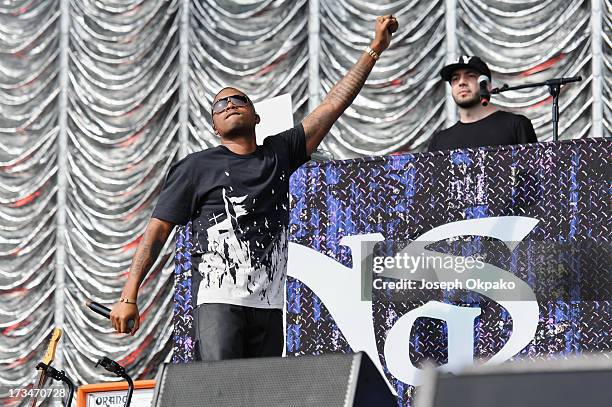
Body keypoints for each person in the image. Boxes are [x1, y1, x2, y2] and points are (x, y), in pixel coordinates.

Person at [110, 15, 399, 361]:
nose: (230, 104)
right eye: (220, 104)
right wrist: (129, 294)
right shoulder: (196, 167)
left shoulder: (278, 153)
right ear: (215, 127)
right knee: (222, 392)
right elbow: (156, 232)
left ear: (256, 116)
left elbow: (332, 106)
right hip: (220, 303)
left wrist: (375, 49)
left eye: (239, 100)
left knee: (260, 393)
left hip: (270, 305)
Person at [428, 56, 538, 152]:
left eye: (471, 75)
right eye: (455, 78)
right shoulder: (439, 142)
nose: (461, 82)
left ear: (488, 85)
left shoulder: (517, 125)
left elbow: (534, 174)